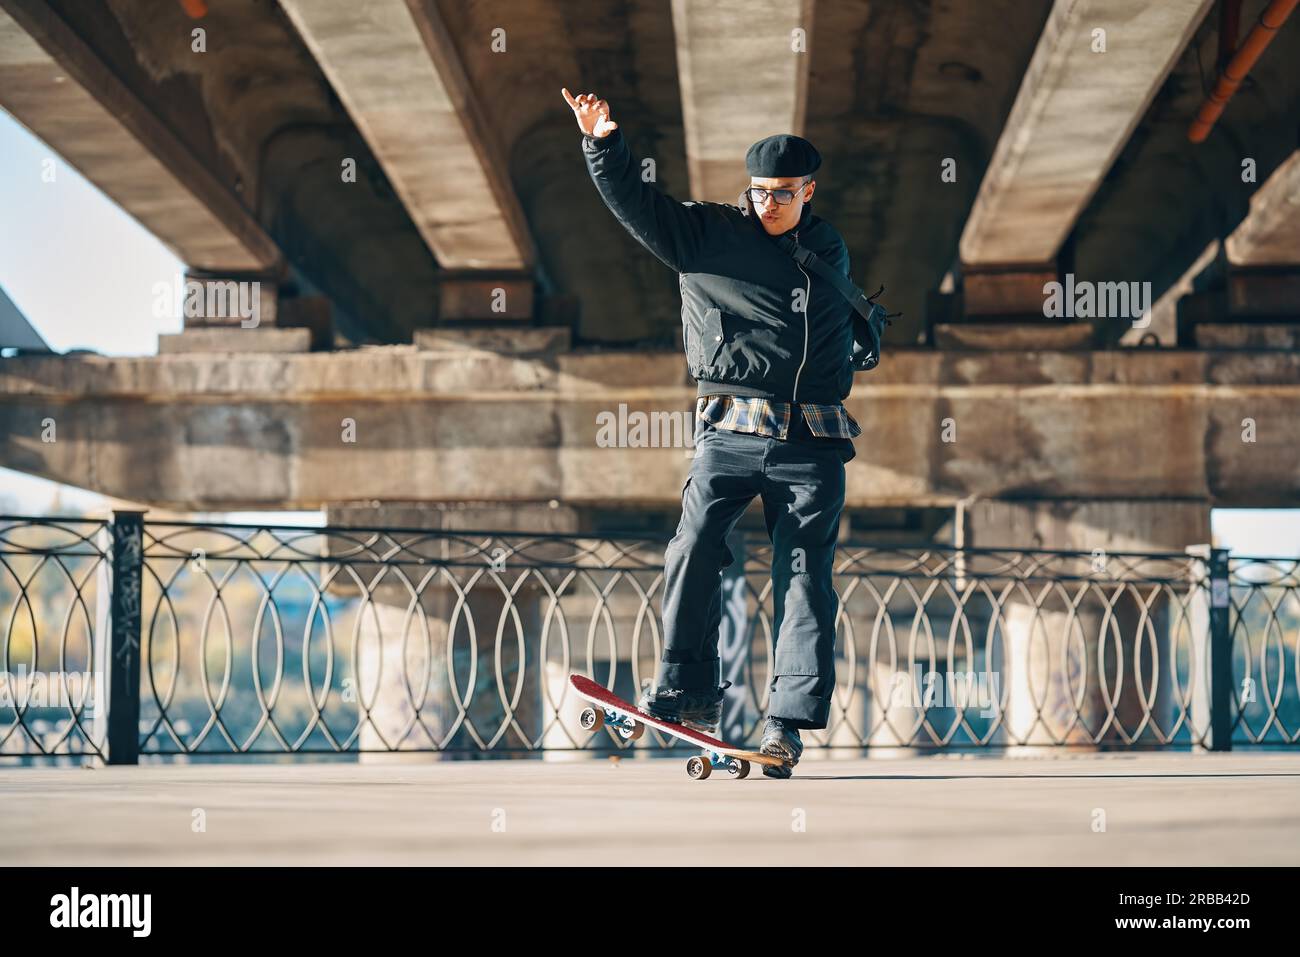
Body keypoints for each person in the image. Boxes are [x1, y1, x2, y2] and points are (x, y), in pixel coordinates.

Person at [564, 88, 863, 778]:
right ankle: (688, 692)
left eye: (783, 194)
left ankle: (786, 722)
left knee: (805, 579)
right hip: (730, 431)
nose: (767, 205)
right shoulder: (709, 234)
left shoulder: (827, 247)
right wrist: (603, 145)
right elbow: (639, 209)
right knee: (694, 545)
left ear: (809, 190)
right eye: (758, 192)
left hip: (812, 444)